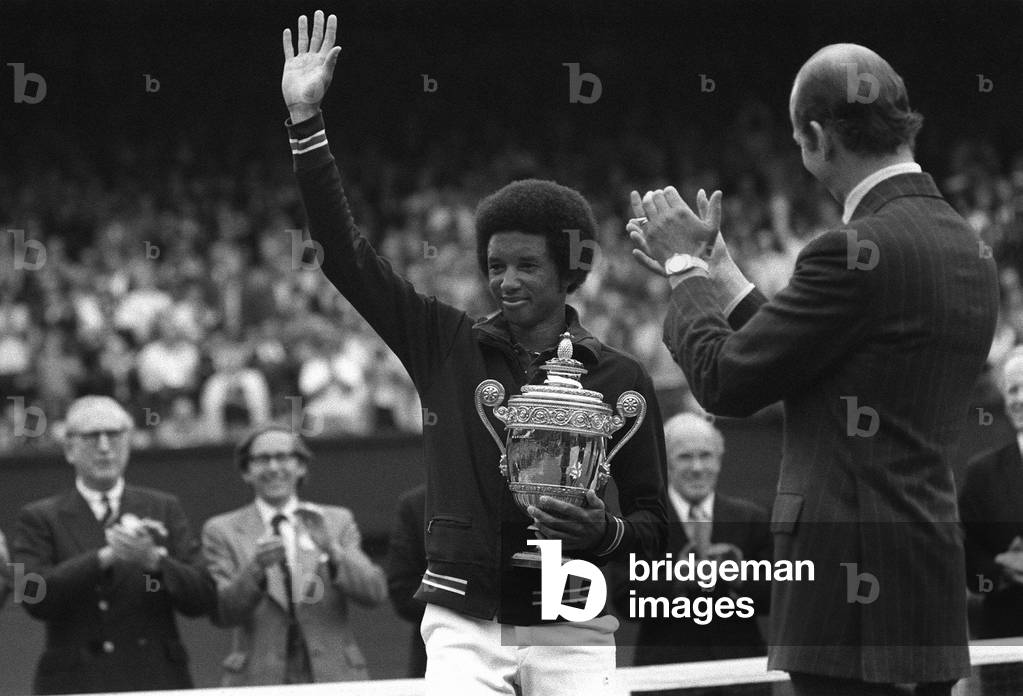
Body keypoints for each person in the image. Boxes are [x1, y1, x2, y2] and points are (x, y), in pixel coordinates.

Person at [279, 12, 667, 695]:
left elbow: (653, 525)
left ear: (569, 271)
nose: (505, 281)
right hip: (461, 615)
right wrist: (306, 122)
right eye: (494, 264)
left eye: (525, 266)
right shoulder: (446, 343)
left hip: (570, 615)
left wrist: (603, 531)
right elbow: (344, 257)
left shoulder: (621, 379)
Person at [628, 44, 999, 695]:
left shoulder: (851, 250)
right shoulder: (966, 248)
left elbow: (728, 381)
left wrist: (683, 272)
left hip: (844, 594)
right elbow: (811, 358)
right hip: (925, 580)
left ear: (818, 138)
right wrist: (719, 270)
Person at [11, 395, 215, 694]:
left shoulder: (163, 507)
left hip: (153, 677)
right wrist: (104, 557)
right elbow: (33, 596)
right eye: (93, 437)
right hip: (77, 680)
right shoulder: (39, 516)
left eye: (115, 435)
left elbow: (204, 597)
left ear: (129, 444)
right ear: (70, 449)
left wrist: (156, 564)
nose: (105, 447)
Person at [202, 423, 387, 685]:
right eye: (262, 459)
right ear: (246, 471)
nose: (274, 467)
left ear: (301, 466)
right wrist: (256, 568)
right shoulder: (222, 530)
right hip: (257, 678)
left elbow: (374, 592)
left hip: (334, 677)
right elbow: (223, 611)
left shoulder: (335, 520)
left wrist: (332, 550)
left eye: (284, 457)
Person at [620, 412, 770, 676]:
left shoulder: (751, 519)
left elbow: (776, 594)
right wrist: (681, 581)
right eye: (685, 457)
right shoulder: (641, 524)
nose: (697, 467)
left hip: (742, 673)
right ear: (666, 464)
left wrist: (737, 577)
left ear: (720, 461)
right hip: (665, 676)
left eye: (706, 456)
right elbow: (625, 600)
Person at [959, 347, 1023, 695]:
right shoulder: (982, 473)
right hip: (1007, 644)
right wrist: (1001, 569)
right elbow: (967, 556)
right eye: (1012, 389)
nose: (1019, 399)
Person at [387, 484, 428, 678]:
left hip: (524, 643)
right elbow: (403, 592)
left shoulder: (524, 495)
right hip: (442, 652)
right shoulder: (418, 503)